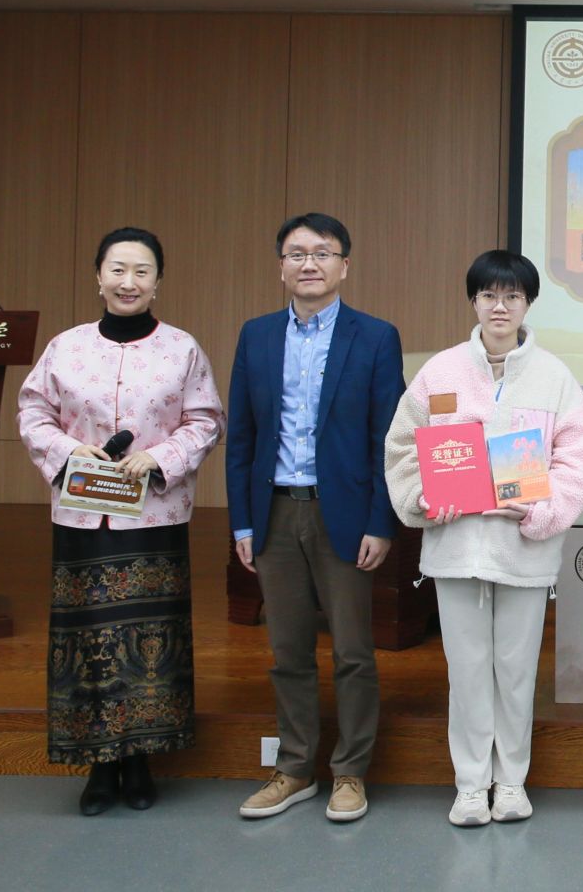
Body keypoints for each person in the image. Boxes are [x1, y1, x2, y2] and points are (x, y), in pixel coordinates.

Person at [385, 250, 583, 827]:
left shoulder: (555, 377)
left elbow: (577, 459)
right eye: (488, 295)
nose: (499, 307)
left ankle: (511, 782)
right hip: (456, 550)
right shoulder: (439, 372)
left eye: (512, 296)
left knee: (517, 671)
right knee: (467, 671)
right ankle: (471, 785)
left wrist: (543, 511)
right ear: (473, 301)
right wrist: (422, 498)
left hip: (524, 551)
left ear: (528, 303)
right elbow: (403, 447)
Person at [17, 227, 222, 815]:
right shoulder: (66, 347)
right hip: (83, 517)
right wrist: (67, 451)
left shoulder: (181, 348)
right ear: (98, 276)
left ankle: (141, 760)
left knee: (150, 639)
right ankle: (99, 765)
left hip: (154, 515)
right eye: (117, 269)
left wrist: (158, 458)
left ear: (158, 281)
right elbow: (33, 412)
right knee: (88, 639)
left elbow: (206, 420)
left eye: (141, 271)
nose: (128, 282)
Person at [226, 213, 404, 823]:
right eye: (297, 253)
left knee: (353, 651)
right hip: (274, 512)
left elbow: (388, 438)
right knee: (288, 650)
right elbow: (242, 438)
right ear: (281, 266)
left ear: (344, 266)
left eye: (322, 253)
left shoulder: (375, 337)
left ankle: (350, 772)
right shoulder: (256, 335)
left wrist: (381, 521)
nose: (309, 263)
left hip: (345, 514)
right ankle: (295, 768)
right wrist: (243, 524)